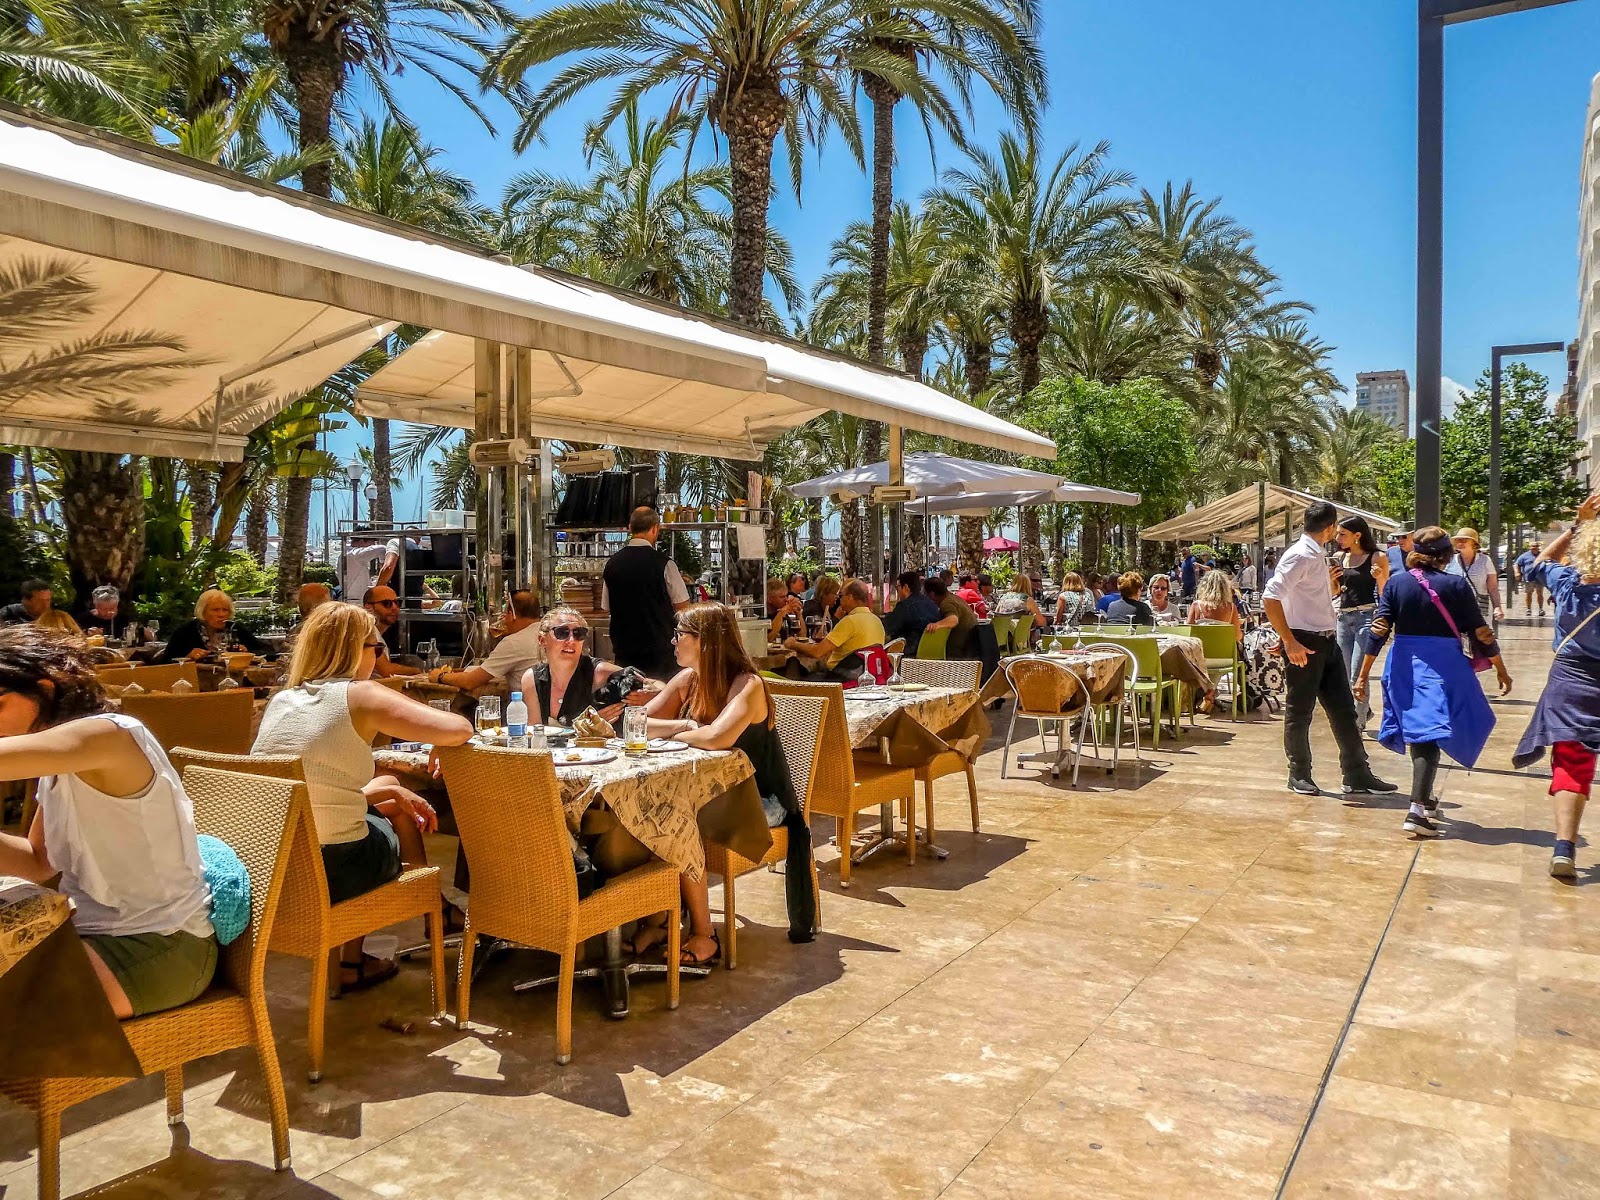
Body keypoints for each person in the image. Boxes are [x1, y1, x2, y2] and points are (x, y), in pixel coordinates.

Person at [253, 603, 472, 992]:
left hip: (278, 864)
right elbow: (460, 728)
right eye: (378, 647)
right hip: (338, 867)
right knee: (387, 814)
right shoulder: (360, 695)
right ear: (355, 650)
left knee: (388, 792)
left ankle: (355, 961)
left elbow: (320, 792)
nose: (380, 655)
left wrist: (389, 789)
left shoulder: (283, 701)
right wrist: (441, 742)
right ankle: (433, 908)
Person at [0, 626, 217, 1018]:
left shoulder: (109, 737)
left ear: (45, 690)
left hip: (161, 947)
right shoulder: (60, 764)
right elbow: (37, 860)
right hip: (87, 934)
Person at [633, 602, 816, 964]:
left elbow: (718, 737)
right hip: (706, 794)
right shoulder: (688, 680)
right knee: (645, 810)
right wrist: (685, 726)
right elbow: (636, 722)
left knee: (674, 817)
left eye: (679, 635)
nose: (672, 642)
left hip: (760, 801)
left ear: (705, 641)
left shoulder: (748, 685)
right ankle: (660, 919)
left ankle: (705, 934)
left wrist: (677, 732)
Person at [1355, 527, 1512, 838]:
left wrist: (1363, 674)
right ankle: (1416, 810)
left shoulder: (1397, 583)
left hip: (1403, 665)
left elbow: (1379, 630)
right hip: (1443, 666)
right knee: (1429, 733)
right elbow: (1481, 631)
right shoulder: (1455, 585)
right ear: (1446, 555)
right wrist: (1500, 668)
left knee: (1424, 729)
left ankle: (1425, 799)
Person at [1262, 500, 1396, 798]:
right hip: (1305, 643)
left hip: (1326, 639)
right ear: (1331, 527)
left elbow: (1296, 600)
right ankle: (1299, 774)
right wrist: (1289, 640)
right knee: (1300, 711)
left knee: (1344, 709)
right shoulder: (1300, 555)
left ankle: (1357, 774)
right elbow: (1270, 598)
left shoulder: (1316, 554)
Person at [1513, 489, 1600, 876]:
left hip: (1570, 680)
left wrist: (1578, 525)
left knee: (1572, 762)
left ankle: (1564, 847)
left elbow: (1535, 566)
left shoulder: (1567, 582)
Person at [602, 506, 690, 679]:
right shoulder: (664, 564)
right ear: (655, 528)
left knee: (629, 693)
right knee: (662, 693)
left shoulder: (612, 564)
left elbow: (606, 607)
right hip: (661, 651)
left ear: (630, 528)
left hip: (624, 650)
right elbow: (683, 607)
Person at [517, 607, 640, 726]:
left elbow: (651, 689)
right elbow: (535, 732)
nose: (571, 640)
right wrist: (587, 724)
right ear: (542, 640)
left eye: (578, 633)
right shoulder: (532, 679)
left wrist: (643, 696)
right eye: (562, 633)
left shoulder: (599, 672)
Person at [1335, 515, 1391, 729]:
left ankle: (1355, 726)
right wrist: (1331, 578)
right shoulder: (1339, 557)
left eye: (1343, 534)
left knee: (1358, 674)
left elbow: (1386, 593)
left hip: (1366, 617)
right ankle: (1363, 711)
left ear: (1357, 535)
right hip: (1343, 617)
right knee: (1345, 674)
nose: (1338, 538)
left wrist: (1380, 577)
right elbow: (1335, 592)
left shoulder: (1377, 557)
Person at [429, 590, 542, 693]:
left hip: (524, 705)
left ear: (512, 615)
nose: (503, 619)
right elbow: (491, 669)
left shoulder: (514, 642)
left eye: (505, 614)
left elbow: (470, 682)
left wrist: (440, 676)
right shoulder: (546, 631)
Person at [783, 578, 885, 680]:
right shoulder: (876, 621)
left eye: (841, 595)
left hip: (841, 678)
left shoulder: (850, 621)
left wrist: (793, 644)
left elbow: (817, 651)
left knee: (795, 670)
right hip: (869, 675)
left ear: (850, 597)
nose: (839, 599)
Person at [157, 589, 275, 664]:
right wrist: (188, 657)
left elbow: (270, 652)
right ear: (203, 611)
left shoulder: (234, 628)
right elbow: (164, 663)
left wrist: (249, 652)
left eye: (225, 610)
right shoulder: (186, 632)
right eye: (215, 610)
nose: (221, 614)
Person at [1446, 528, 1502, 628]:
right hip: (1455, 609)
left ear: (1474, 543)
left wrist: (1497, 607)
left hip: (1479, 609)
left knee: (1481, 636)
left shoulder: (1485, 560)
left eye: (1464, 540)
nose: (1460, 542)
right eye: (1458, 540)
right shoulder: (1450, 561)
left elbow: (1493, 588)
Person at [360, 586, 416, 678]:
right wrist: (420, 671)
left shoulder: (376, 633)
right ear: (368, 608)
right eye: (387, 603)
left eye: (397, 603)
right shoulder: (367, 632)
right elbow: (387, 671)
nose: (395, 608)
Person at [882, 572, 942, 656]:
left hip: (908, 652)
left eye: (897, 587)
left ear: (906, 587)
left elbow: (888, 627)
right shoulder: (932, 604)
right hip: (931, 651)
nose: (897, 591)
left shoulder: (905, 606)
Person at [925, 577, 977, 656]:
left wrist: (936, 625)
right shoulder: (955, 598)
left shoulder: (946, 603)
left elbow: (953, 620)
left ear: (932, 594)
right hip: (972, 645)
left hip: (960, 650)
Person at [341, 536, 387, 601]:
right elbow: (382, 549)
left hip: (350, 598)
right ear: (361, 542)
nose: (372, 547)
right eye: (372, 545)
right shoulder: (356, 555)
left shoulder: (345, 553)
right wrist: (383, 564)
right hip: (359, 600)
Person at [1515, 541, 1546, 618]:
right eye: (1533, 546)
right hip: (1529, 578)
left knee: (1540, 593)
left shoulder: (1543, 555)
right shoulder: (1524, 556)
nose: (1534, 548)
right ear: (1530, 547)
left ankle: (1541, 609)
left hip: (1539, 578)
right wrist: (1517, 572)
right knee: (1529, 593)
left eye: (1536, 546)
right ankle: (1528, 609)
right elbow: (1517, 564)